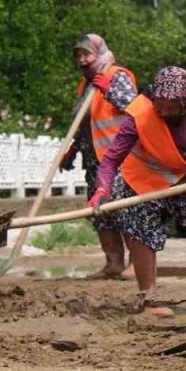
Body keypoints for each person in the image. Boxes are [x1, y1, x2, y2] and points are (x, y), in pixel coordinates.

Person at [90, 66, 186, 318]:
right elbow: (110, 160)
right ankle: (150, 299)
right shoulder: (139, 113)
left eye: (170, 108)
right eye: (159, 106)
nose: (163, 112)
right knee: (140, 230)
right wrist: (102, 189)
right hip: (146, 178)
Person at [60, 34, 137, 279]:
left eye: (87, 54)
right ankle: (113, 264)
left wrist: (109, 90)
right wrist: (74, 149)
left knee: (125, 209)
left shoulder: (117, 76)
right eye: (78, 56)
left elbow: (135, 108)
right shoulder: (85, 85)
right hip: (93, 159)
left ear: (100, 53)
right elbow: (86, 123)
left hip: (120, 158)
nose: (82, 60)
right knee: (101, 211)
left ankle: (137, 265)